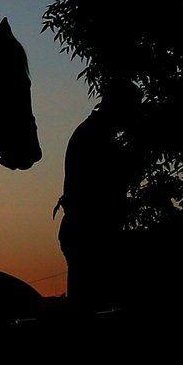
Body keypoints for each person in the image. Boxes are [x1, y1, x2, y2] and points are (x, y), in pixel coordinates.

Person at [58, 76, 143, 308]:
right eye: (131, 109)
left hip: (86, 232)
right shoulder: (95, 137)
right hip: (90, 234)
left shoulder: (94, 134)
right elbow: (119, 177)